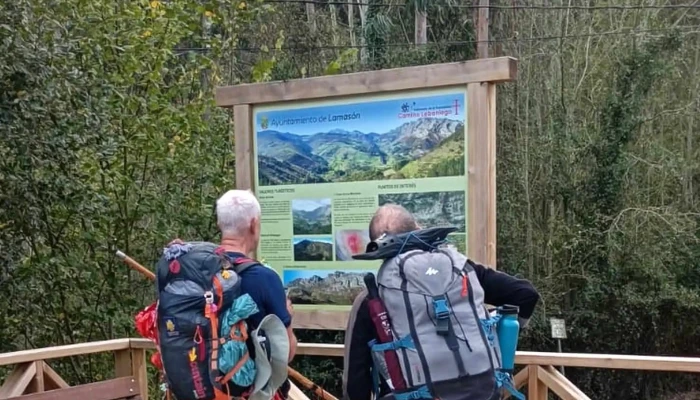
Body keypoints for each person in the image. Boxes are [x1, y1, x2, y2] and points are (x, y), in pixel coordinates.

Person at [342, 204, 540, 400]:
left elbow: (355, 382)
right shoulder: (462, 271)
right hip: (483, 392)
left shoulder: (373, 298)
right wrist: (491, 338)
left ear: (377, 246)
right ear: (418, 229)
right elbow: (526, 295)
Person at [169, 189, 297, 398]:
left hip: (199, 390)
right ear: (254, 224)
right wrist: (289, 316)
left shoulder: (194, 272)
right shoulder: (265, 278)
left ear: (220, 224)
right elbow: (287, 354)